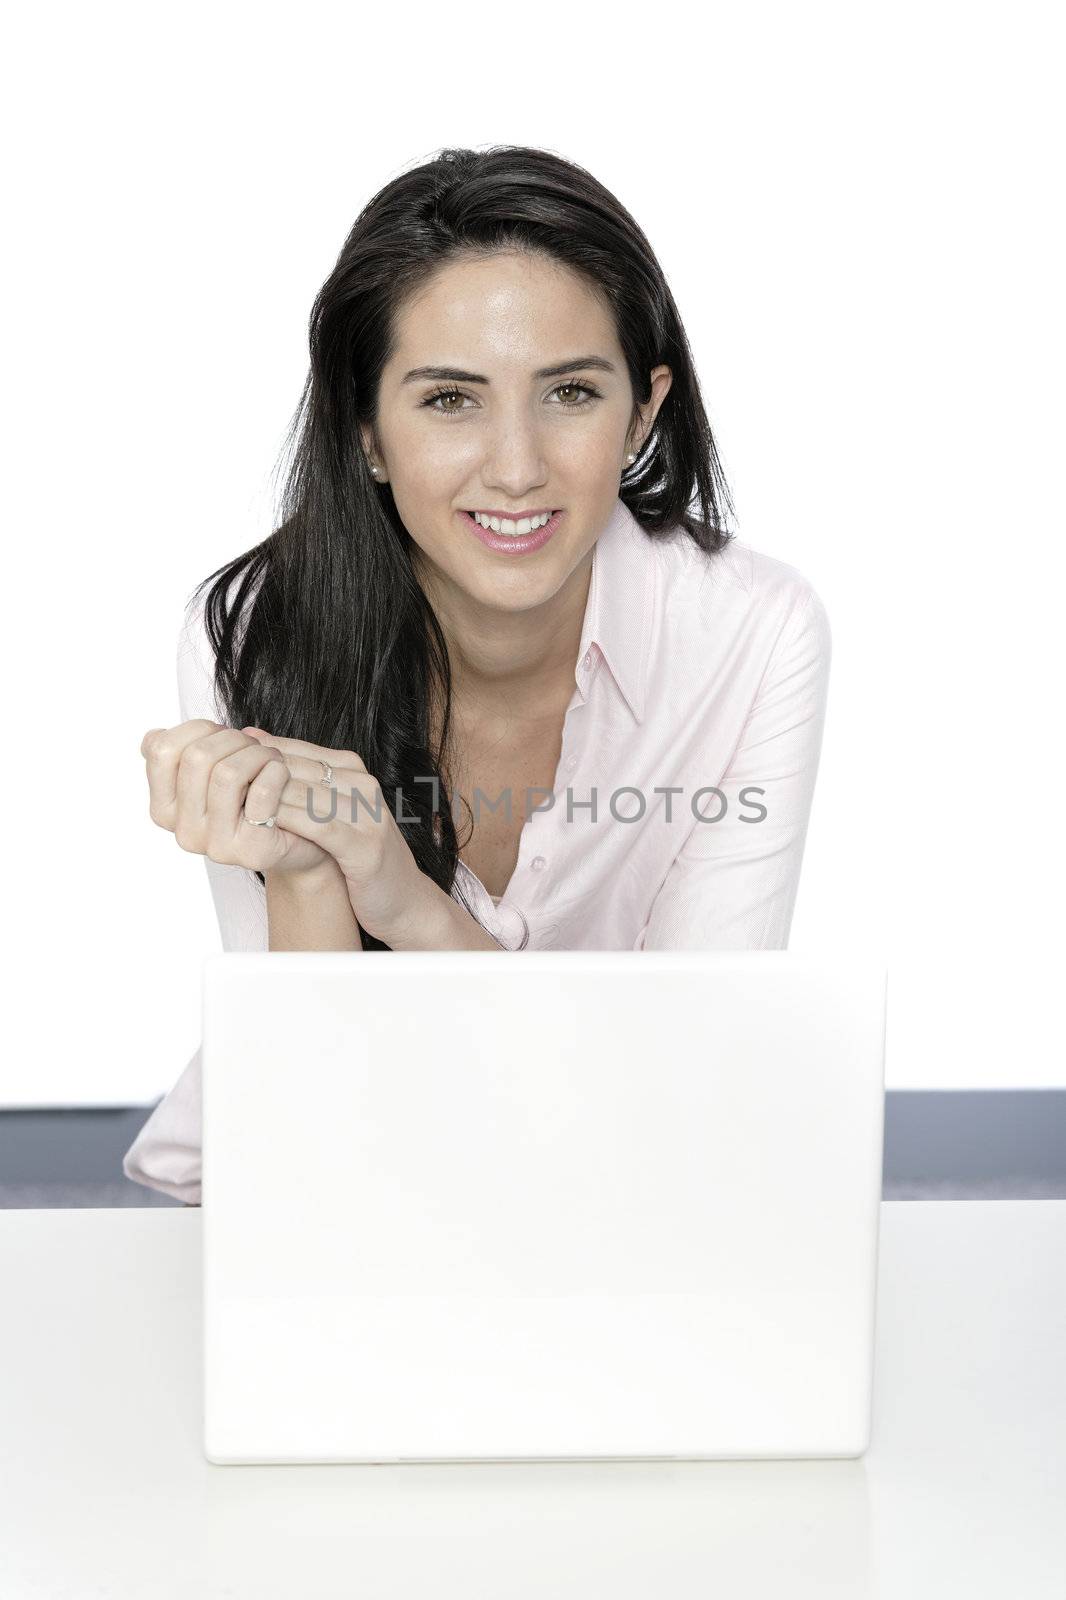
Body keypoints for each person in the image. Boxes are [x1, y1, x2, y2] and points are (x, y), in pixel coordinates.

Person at [123, 144, 832, 1206]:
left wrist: (406, 906)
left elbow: (690, 1091)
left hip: (633, 1204)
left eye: (571, 394)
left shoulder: (750, 634)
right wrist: (310, 875)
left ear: (642, 412)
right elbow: (311, 1146)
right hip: (332, 1189)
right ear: (365, 429)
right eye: (450, 400)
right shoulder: (257, 632)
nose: (514, 466)